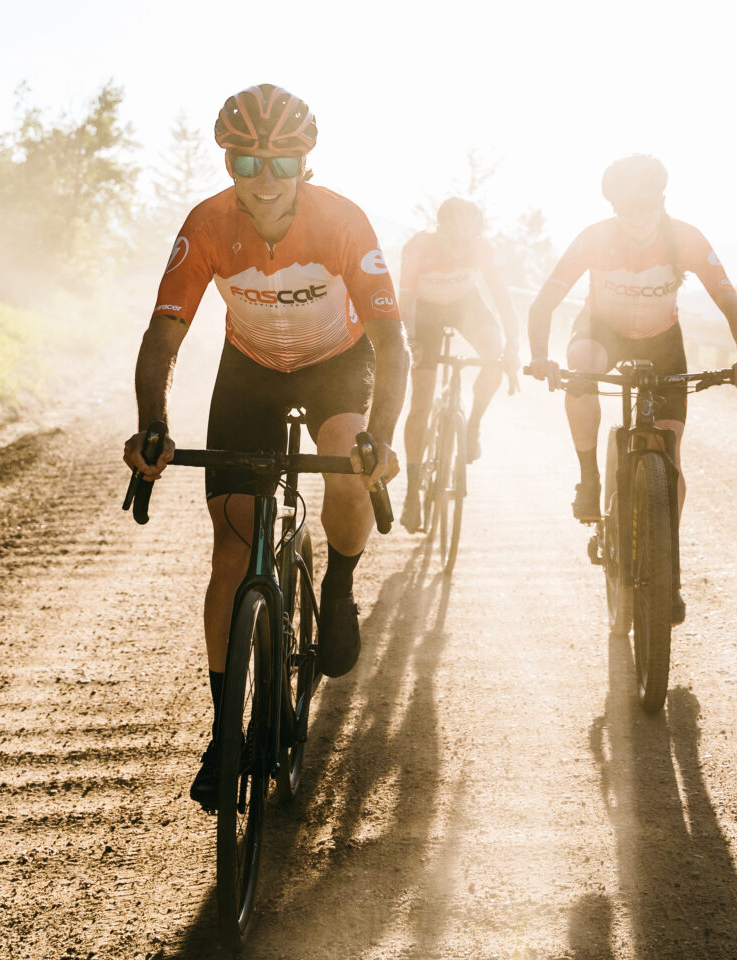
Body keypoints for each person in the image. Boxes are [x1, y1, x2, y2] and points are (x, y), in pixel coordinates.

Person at [122, 84, 408, 808]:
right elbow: (164, 334)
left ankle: (338, 589)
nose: (264, 177)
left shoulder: (342, 220)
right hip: (249, 371)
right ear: (228, 161)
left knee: (346, 460)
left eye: (282, 161)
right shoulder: (209, 223)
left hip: (338, 363)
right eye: (245, 160)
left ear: (306, 162)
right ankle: (226, 732)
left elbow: (390, 340)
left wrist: (386, 436)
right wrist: (151, 422)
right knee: (232, 540)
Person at [526, 154, 737, 622]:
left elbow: (729, 299)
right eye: (626, 207)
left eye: (646, 204)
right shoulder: (595, 238)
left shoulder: (685, 238)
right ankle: (590, 476)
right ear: (613, 206)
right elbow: (543, 303)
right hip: (600, 333)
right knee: (583, 364)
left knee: (670, 459)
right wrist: (539, 356)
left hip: (663, 344)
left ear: (662, 200)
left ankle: (668, 574)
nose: (637, 216)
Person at [398, 197, 519, 532]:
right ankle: (411, 492)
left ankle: (473, 425)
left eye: (465, 243)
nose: (457, 250)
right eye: (452, 241)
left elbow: (501, 298)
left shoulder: (480, 248)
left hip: (465, 305)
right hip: (424, 313)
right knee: (421, 401)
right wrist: (411, 340)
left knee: (493, 352)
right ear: (439, 231)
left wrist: (514, 346)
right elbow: (405, 299)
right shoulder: (419, 246)